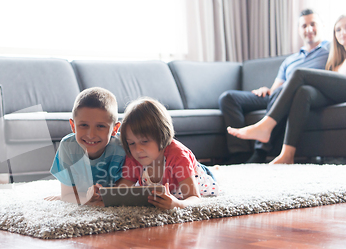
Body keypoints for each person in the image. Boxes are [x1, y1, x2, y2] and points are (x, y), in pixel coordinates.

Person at [227, 15, 346, 164]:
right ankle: (287, 154)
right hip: (335, 93)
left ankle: (266, 126)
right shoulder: (336, 57)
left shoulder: (325, 49)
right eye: (338, 30)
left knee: (299, 73)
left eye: (345, 28)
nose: (342, 33)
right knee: (304, 92)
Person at [116, 97, 219, 209]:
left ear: (162, 135)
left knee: (209, 175)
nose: (137, 149)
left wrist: (177, 204)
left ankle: (213, 170)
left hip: (198, 176)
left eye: (144, 141)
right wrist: (102, 196)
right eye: (131, 143)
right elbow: (121, 192)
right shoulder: (133, 157)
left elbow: (195, 198)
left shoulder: (178, 155)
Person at [48, 87, 126, 206]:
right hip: (82, 193)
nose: (91, 135)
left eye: (100, 126)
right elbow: (68, 195)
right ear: (73, 126)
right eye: (83, 125)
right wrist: (86, 200)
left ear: (114, 129)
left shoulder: (121, 147)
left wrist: (102, 201)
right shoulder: (68, 146)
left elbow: (123, 193)